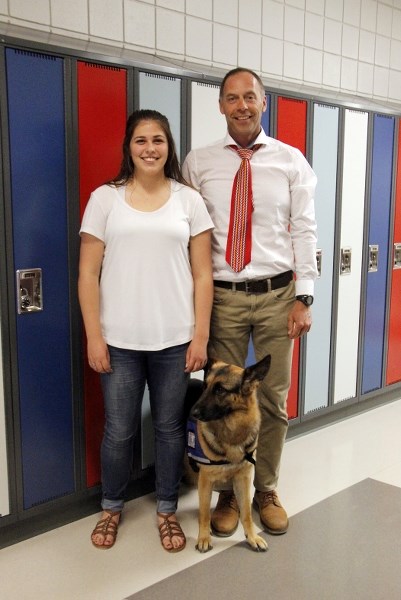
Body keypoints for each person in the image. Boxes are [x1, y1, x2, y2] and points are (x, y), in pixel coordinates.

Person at [182, 68, 317, 537]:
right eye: (232, 98)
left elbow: (304, 229)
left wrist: (304, 295)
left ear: (264, 102)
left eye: (250, 98)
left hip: (278, 295)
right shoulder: (198, 163)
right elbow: (190, 234)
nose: (241, 106)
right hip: (223, 298)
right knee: (219, 399)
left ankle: (265, 489)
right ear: (220, 105)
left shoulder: (291, 160)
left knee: (273, 400)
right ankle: (226, 494)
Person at [78, 109, 214, 552]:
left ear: (168, 146)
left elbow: (202, 276)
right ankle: (112, 506)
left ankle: (167, 510)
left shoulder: (189, 200)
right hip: (118, 341)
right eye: (141, 140)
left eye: (158, 140)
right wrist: (94, 336)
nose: (150, 148)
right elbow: (87, 275)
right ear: (128, 148)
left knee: (171, 429)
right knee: (119, 430)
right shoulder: (105, 199)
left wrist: (200, 337)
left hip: (175, 339)